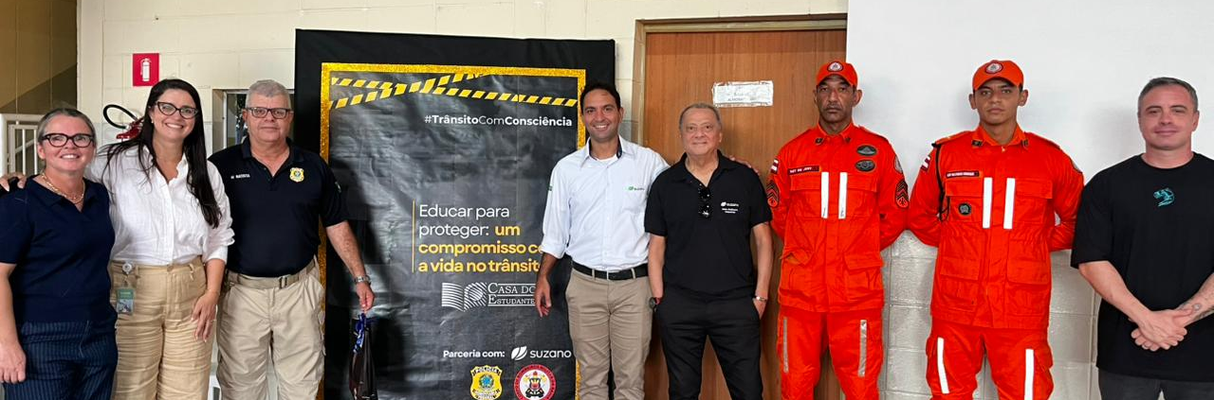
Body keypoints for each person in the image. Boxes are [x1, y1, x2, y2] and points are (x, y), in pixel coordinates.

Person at [907, 60, 1084, 400]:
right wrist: (962, 245)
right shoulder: (947, 154)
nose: (995, 100)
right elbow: (919, 216)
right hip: (956, 305)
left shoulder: (1050, 159)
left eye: (1006, 91)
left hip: (1021, 308)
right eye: (985, 92)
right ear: (972, 101)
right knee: (947, 392)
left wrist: (1031, 245)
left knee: (1026, 394)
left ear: (1023, 97)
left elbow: (1079, 223)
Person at [208, 79, 375, 399]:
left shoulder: (313, 167)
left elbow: (336, 224)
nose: (269, 118)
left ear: (290, 116)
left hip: (299, 291)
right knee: (240, 388)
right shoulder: (220, 166)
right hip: (242, 294)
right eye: (259, 110)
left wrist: (360, 277)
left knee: (302, 385)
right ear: (245, 116)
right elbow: (204, 230)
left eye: (278, 111)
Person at [767, 60, 907, 400]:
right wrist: (807, 249)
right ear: (815, 95)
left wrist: (857, 250)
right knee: (795, 385)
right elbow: (778, 213)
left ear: (856, 97)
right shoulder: (791, 152)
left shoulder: (880, 151)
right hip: (802, 294)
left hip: (857, 295)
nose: (833, 97)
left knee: (861, 388)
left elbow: (896, 214)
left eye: (842, 89)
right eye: (826, 89)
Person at [1073, 77, 1214, 400]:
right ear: (1139, 120)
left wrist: (1180, 319)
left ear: (1195, 119)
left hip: (1205, 356)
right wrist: (1145, 319)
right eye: (1154, 111)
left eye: (1177, 110)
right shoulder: (1107, 185)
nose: (1165, 119)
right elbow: (1092, 262)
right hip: (1126, 350)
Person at [95, 78, 234, 399]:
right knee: (131, 388)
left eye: (187, 110)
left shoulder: (205, 172)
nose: (177, 116)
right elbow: (66, 178)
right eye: (167, 107)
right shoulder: (114, 162)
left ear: (196, 119)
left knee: (187, 390)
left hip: (192, 293)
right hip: (131, 289)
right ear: (151, 113)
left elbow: (218, 237)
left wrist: (212, 293)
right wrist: (21, 180)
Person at [532, 82, 668, 400]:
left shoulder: (648, 163)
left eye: (607, 108)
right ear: (583, 117)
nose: (600, 117)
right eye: (591, 110)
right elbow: (555, 231)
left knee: (630, 381)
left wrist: (719, 167)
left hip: (635, 287)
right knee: (591, 382)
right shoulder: (566, 170)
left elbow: (682, 192)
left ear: (620, 114)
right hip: (585, 284)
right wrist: (543, 276)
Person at [646, 103, 773, 400]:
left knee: (749, 390)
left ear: (719, 135)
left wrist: (761, 296)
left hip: (736, 303)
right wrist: (660, 298)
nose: (698, 134)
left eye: (706, 127)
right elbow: (656, 246)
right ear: (681, 135)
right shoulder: (665, 184)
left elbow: (764, 241)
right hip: (679, 304)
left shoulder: (744, 178)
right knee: (682, 390)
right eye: (690, 128)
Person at [0, 109, 118, 399]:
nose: (69, 146)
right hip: (40, 339)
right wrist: (7, 344)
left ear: (92, 149)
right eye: (57, 138)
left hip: (98, 336)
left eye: (80, 138)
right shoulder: (18, 201)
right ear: (40, 149)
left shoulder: (99, 196)